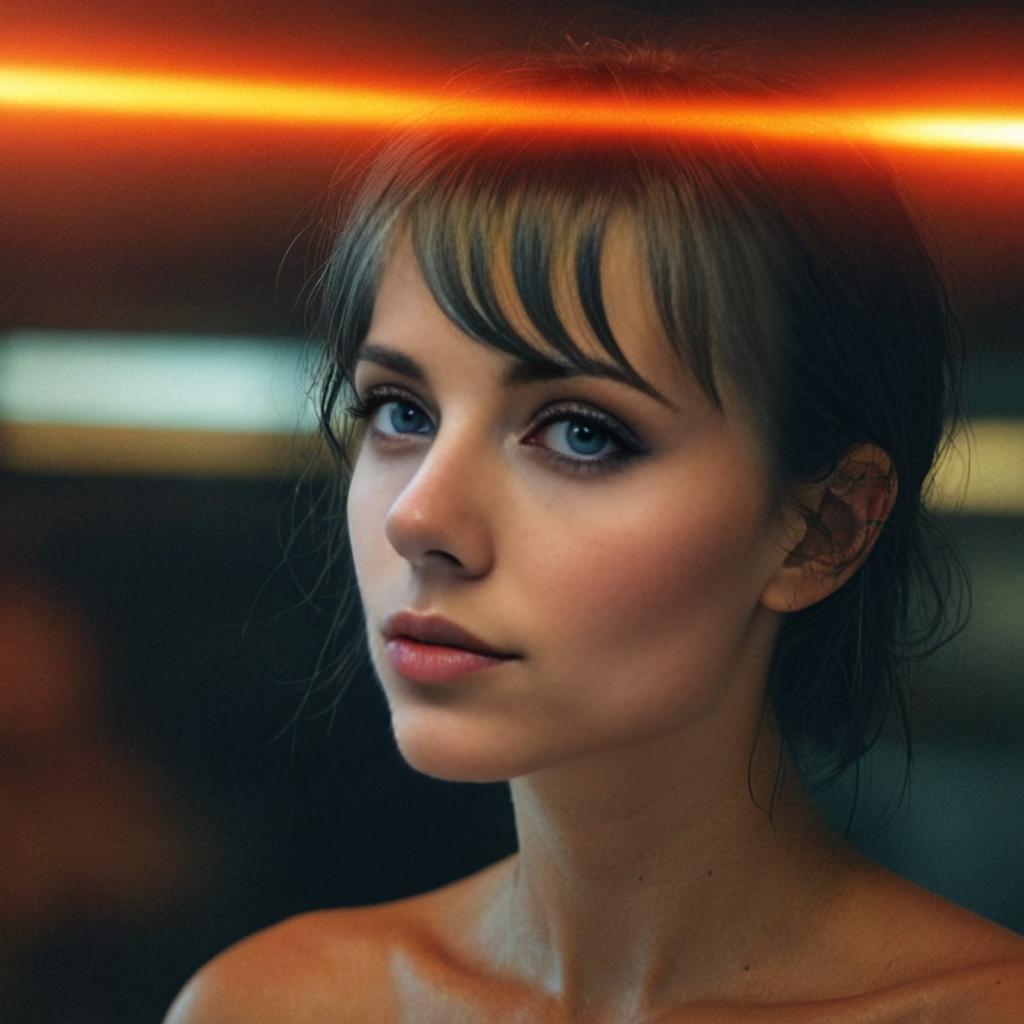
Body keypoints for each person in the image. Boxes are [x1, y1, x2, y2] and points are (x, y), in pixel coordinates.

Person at [165, 21, 1024, 1023]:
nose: (420, 517)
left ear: (824, 527)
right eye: (400, 412)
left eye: (579, 433)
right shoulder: (274, 1005)